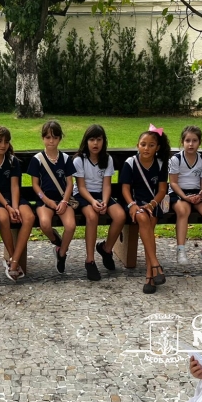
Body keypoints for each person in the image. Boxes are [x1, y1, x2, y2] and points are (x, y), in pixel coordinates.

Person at [0, 126, 35, 281]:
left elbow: (15, 186)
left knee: (29, 217)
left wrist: (15, 207)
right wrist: (8, 207)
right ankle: (10, 257)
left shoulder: (12, 161)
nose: (3, 145)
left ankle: (14, 261)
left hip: (14, 198)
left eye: (6, 142)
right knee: (3, 218)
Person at [120, 126, 170, 294]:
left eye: (151, 145)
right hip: (134, 203)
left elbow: (162, 190)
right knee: (142, 219)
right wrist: (132, 205)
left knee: (148, 226)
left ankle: (151, 275)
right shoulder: (130, 163)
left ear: (157, 148)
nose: (146, 148)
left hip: (154, 203)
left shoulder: (161, 164)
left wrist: (151, 205)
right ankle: (155, 266)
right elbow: (125, 189)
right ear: (137, 145)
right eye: (143, 144)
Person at [73, 124, 126, 281]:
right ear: (86, 141)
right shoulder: (79, 160)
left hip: (102, 194)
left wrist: (103, 201)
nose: (95, 143)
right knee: (92, 217)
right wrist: (93, 202)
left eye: (99, 139)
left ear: (103, 141)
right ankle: (90, 260)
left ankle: (106, 249)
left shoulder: (107, 159)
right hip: (84, 195)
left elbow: (107, 184)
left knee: (120, 216)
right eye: (92, 139)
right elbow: (81, 187)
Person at [27, 120, 76, 274]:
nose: (51, 141)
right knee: (45, 224)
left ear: (60, 139)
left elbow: (69, 183)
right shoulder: (37, 160)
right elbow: (35, 185)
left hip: (63, 199)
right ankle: (56, 241)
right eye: (48, 137)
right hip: (44, 200)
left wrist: (64, 201)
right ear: (43, 138)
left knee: (70, 226)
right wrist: (46, 200)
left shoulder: (66, 159)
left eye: (55, 137)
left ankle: (61, 254)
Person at [168, 125, 202, 269]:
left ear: (199, 142)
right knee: (183, 211)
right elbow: (174, 183)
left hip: (195, 193)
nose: (191, 144)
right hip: (178, 192)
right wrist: (185, 197)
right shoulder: (176, 159)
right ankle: (181, 250)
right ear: (182, 141)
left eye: (194, 140)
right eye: (187, 140)